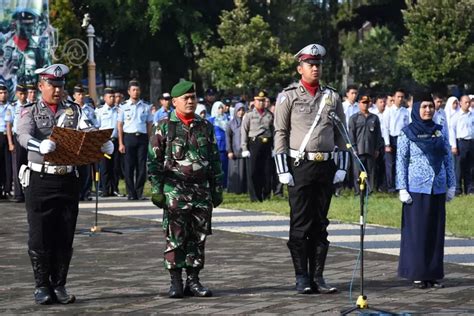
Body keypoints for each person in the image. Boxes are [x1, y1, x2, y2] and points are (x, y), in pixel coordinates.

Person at [16, 64, 114, 304]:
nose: (57, 90)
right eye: (52, 85)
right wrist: (39, 145)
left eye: (60, 85)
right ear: (41, 87)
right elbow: (23, 135)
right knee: (40, 233)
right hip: (40, 178)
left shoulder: (74, 110)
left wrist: (100, 142)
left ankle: (59, 284)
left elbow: (85, 129)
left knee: (65, 233)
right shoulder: (30, 111)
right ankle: (42, 285)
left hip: (68, 178)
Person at [273, 44, 348, 294]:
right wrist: (282, 167)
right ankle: (302, 277)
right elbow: (280, 133)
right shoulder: (288, 96)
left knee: (321, 223)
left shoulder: (332, 96)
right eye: (310, 64)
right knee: (300, 223)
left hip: (325, 165)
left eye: (318, 65)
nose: (315, 68)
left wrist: (343, 166)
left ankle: (318, 276)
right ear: (300, 68)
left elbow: (342, 133)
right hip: (299, 165)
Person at [148, 80, 223, 298]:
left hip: (200, 191)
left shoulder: (205, 126)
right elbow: (153, 161)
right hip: (175, 190)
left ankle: (194, 280)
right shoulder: (164, 126)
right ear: (174, 102)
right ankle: (175, 281)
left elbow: (214, 159)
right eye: (186, 98)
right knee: (175, 236)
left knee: (198, 237)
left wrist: (217, 187)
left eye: (193, 97)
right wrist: (157, 189)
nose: (190, 101)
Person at [396, 92, 455, 289]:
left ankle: (433, 273)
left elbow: (448, 158)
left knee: (435, 233)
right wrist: (402, 187)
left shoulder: (439, 131)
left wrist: (451, 184)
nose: (428, 110)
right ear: (416, 109)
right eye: (424, 107)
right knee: (418, 233)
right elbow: (401, 161)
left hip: (437, 188)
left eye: (431, 106)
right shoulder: (407, 132)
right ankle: (418, 273)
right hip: (416, 189)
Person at [117, 80, 153, 200]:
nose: (135, 92)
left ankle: (139, 192)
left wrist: (149, 140)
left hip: (142, 138)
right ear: (129, 92)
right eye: (133, 90)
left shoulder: (146, 106)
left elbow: (149, 124)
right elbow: (120, 125)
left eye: (137, 90)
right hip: (128, 137)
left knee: (141, 167)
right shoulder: (123, 106)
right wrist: (121, 143)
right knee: (129, 167)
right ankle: (131, 193)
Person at [241, 90, 274, 202]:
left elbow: (273, 131)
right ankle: (255, 196)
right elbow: (244, 131)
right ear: (254, 101)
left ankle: (266, 195)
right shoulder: (249, 114)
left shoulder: (270, 115)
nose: (261, 103)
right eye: (258, 100)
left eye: (263, 100)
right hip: (254, 143)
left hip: (267, 144)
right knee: (254, 171)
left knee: (267, 170)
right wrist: (244, 147)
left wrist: (274, 147)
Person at [348, 95, 383, 194]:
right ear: (359, 103)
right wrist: (353, 147)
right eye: (363, 102)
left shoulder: (374, 118)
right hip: (358, 149)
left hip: (371, 149)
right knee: (357, 171)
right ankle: (358, 191)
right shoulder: (354, 118)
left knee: (371, 171)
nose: (365, 105)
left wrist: (377, 149)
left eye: (367, 102)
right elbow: (351, 134)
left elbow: (378, 135)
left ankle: (369, 190)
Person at [95, 87, 123, 197]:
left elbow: (120, 126)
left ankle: (115, 188)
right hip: (104, 142)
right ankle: (105, 189)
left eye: (113, 96)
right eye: (110, 97)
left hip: (115, 140)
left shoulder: (119, 110)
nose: (112, 99)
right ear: (105, 98)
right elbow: (97, 127)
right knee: (105, 166)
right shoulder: (100, 111)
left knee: (115, 166)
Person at [382, 89, 409, 193]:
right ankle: (391, 186)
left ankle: (401, 185)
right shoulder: (388, 111)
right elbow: (385, 128)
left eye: (402, 97)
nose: (400, 99)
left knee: (401, 163)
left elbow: (407, 127)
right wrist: (387, 143)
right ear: (393, 98)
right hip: (391, 138)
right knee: (390, 164)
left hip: (402, 138)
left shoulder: (405, 111)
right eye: (398, 97)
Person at [5, 84, 29, 202]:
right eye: (20, 93)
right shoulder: (12, 107)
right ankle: (19, 194)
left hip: (29, 137)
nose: (23, 96)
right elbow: (9, 125)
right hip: (17, 137)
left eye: (24, 93)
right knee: (17, 166)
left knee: (30, 165)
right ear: (17, 94)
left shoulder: (31, 106)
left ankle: (29, 192)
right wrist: (10, 142)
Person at [449, 95, 474, 195]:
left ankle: (470, 188)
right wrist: (454, 145)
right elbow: (452, 131)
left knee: (471, 167)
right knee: (459, 166)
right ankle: (458, 189)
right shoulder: (456, 116)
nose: (468, 104)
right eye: (466, 102)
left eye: (469, 102)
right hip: (461, 142)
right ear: (461, 103)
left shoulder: (472, 115)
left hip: (471, 141)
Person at [226, 102, 248, 194]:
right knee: (234, 170)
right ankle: (234, 189)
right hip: (234, 151)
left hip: (244, 151)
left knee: (244, 170)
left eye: (243, 110)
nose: (241, 112)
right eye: (239, 110)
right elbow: (228, 138)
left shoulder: (247, 122)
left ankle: (244, 189)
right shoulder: (230, 124)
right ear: (235, 111)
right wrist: (229, 151)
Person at [210, 101, 229, 188]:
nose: (221, 110)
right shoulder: (211, 120)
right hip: (216, 148)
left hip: (226, 147)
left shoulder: (227, 119)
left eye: (222, 107)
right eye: (219, 108)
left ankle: (225, 185)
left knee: (226, 167)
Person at [0, 81, 12, 199]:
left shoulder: (11, 106)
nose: (2, 95)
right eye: (0, 93)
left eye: (4, 93)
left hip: (7, 135)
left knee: (8, 164)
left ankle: (7, 189)